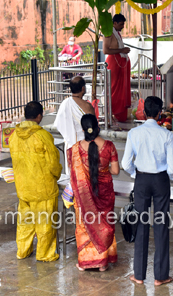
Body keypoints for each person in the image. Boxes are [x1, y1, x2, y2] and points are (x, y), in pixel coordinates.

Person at [121, 96, 173, 286]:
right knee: (161, 226)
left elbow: (125, 163)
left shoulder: (134, 133)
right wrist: (165, 178)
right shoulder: (167, 134)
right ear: (160, 113)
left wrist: (136, 175)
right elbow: (172, 167)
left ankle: (138, 275)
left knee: (141, 225)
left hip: (142, 180)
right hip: (161, 180)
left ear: (144, 113)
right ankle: (161, 277)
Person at [10, 101, 62, 262]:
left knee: (25, 223)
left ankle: (23, 251)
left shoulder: (13, 136)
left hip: (23, 187)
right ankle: (45, 254)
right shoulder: (43, 136)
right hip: (43, 188)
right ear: (39, 116)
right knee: (45, 224)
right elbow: (53, 164)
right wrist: (57, 174)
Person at [68, 114, 119, 271]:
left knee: (85, 225)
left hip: (84, 195)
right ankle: (103, 262)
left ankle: (86, 262)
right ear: (98, 127)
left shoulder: (74, 150)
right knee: (104, 223)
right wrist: (104, 169)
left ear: (83, 129)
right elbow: (115, 171)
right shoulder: (109, 146)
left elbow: (73, 174)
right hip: (105, 193)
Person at [54, 76, 95, 151]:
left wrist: (70, 136)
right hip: (85, 146)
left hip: (69, 147)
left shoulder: (64, 104)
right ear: (83, 88)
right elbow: (93, 128)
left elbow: (58, 125)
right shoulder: (87, 106)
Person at [103, 14, 131, 122]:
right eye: (121, 24)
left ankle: (120, 114)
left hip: (120, 63)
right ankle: (113, 113)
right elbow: (105, 50)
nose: (123, 26)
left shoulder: (117, 32)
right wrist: (121, 50)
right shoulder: (108, 33)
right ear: (114, 23)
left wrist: (122, 51)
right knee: (113, 89)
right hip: (114, 63)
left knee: (122, 90)